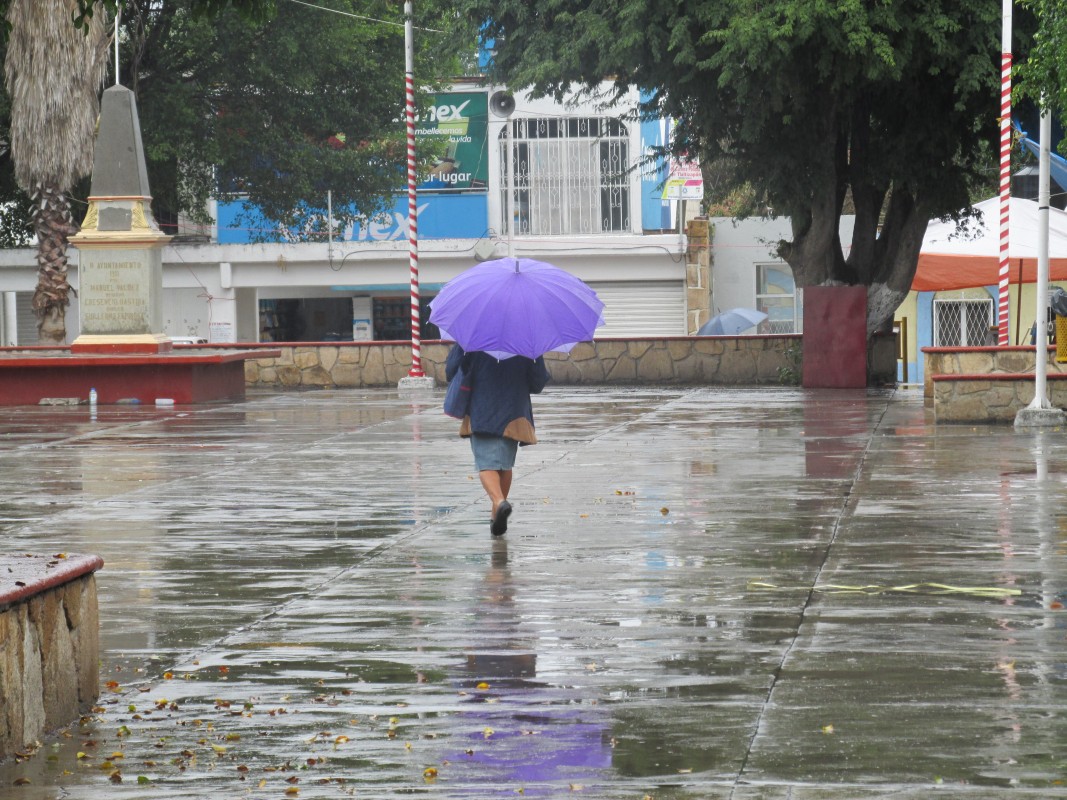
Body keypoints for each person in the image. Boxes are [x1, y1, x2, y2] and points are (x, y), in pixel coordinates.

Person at [445, 344, 550, 536]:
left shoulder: (471, 338)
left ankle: (499, 502)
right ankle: (496, 517)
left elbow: (451, 370)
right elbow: (538, 382)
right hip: (514, 410)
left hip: (481, 406)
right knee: (504, 464)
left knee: (486, 464)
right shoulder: (527, 341)